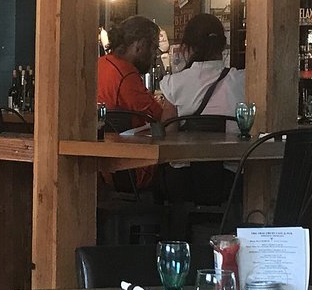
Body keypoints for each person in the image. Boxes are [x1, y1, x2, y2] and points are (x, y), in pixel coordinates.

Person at [155, 14, 247, 221]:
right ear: (223, 46)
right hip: (229, 181)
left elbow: (167, 135)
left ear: (187, 47)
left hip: (183, 183)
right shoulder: (242, 81)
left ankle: (173, 232)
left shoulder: (174, 84)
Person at [97, 15, 163, 129]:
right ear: (140, 45)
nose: (155, 55)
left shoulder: (100, 63)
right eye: (154, 48)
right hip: (122, 144)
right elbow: (158, 115)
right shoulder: (126, 74)